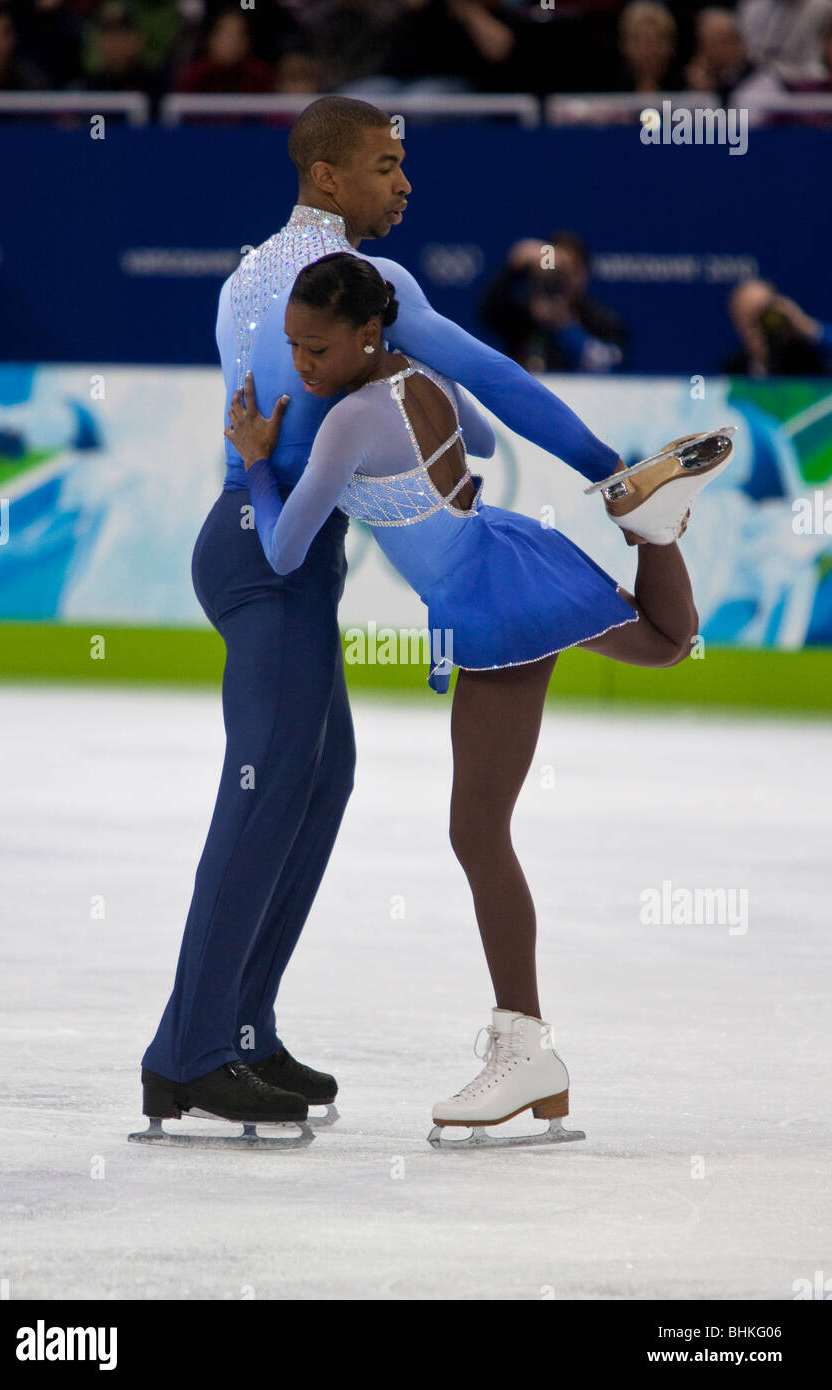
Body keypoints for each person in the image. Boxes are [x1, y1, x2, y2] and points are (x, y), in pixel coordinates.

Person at [136, 94, 687, 1146]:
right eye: (387, 164)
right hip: (268, 556)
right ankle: (190, 1053)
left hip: (259, 548)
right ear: (330, 176)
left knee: (315, 782)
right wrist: (608, 473)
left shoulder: (244, 274)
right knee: (263, 792)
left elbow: (439, 405)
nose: (404, 182)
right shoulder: (369, 287)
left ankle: (241, 1026)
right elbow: (488, 380)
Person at [223, 251, 731, 1145]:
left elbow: (283, 550)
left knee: (476, 831)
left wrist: (261, 463)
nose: (300, 368)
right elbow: (486, 442)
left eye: (316, 349)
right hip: (502, 543)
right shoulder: (422, 377)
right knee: (665, 643)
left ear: (368, 335)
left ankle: (525, 1047)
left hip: (482, 599)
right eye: (293, 349)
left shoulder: (344, 424)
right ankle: (651, 528)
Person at [479, 231, 627, 373]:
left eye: (568, 270)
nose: (560, 279)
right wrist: (513, 269)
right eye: (554, 269)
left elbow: (608, 365)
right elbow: (488, 311)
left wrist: (565, 325)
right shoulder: (524, 315)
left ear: (583, 274)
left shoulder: (602, 320)